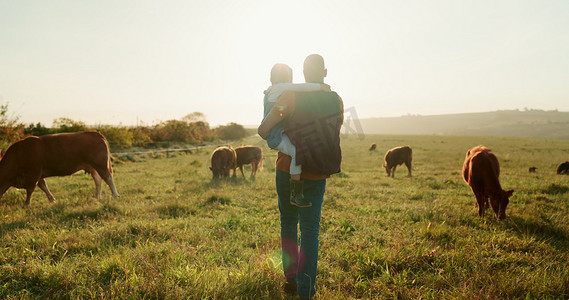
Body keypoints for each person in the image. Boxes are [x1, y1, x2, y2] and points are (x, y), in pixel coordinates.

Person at [258, 54, 343, 300]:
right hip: (317, 172)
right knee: (310, 231)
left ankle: (291, 280)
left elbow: (264, 130)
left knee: (288, 223)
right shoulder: (336, 100)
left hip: (287, 170)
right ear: (324, 73)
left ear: (302, 75)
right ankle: (306, 293)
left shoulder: (290, 96)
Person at [262, 63, 330, 207]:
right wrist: (320, 87)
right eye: (290, 78)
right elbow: (302, 87)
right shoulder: (281, 88)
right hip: (276, 135)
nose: (292, 81)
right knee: (297, 152)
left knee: (297, 150)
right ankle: (296, 194)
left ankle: (296, 191)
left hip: (277, 133)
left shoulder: (271, 90)